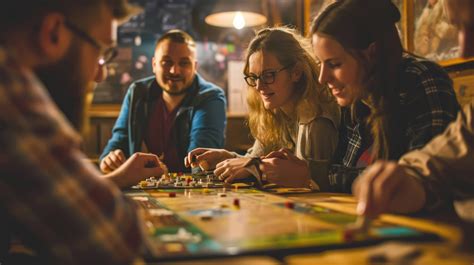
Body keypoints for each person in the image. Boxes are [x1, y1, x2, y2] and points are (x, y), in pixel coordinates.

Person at [0, 0, 166, 263]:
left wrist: (115, 179)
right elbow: (116, 238)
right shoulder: (8, 91)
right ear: (53, 33)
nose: (100, 75)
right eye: (100, 52)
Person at [353, 0, 474, 220]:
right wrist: (411, 178)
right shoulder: (358, 101)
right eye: (458, 27)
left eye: (334, 63)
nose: (465, 51)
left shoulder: (421, 77)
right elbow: (445, 157)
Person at [185, 27, 340, 188]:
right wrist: (225, 158)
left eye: (268, 75)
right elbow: (253, 160)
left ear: (296, 72)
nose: (259, 86)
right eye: (254, 77)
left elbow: (311, 183)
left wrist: (255, 167)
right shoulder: (275, 110)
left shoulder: (315, 116)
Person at [99, 30, 227, 174]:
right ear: (154, 65)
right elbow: (118, 142)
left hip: (189, 191)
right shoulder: (137, 92)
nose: (175, 71)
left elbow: (201, 160)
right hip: (142, 188)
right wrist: (109, 160)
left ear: (195, 67)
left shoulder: (210, 97)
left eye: (184, 63)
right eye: (167, 62)